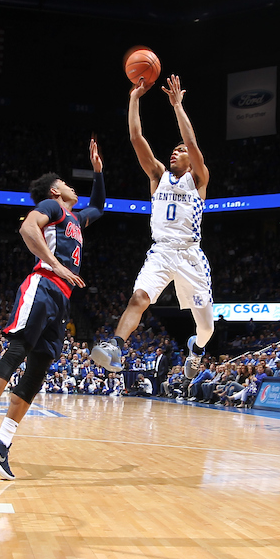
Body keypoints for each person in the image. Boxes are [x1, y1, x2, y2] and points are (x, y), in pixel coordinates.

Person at [0, 139, 105, 480]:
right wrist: (56, 265)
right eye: (67, 184)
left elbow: (99, 207)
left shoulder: (74, 216)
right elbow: (27, 228)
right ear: (56, 190)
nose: (73, 188)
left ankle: (3, 440)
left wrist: (99, 172)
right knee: (19, 348)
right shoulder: (51, 207)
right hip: (42, 284)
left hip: (62, 298)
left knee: (39, 367)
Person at [91, 75, 214, 381]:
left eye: (180, 150)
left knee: (207, 328)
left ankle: (196, 350)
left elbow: (193, 143)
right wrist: (134, 98)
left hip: (190, 256)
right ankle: (115, 346)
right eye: (173, 149)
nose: (176, 152)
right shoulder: (158, 176)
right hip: (160, 251)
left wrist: (176, 106)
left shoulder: (198, 179)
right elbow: (136, 138)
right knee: (139, 298)